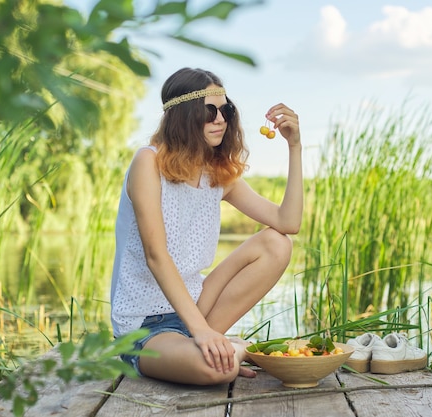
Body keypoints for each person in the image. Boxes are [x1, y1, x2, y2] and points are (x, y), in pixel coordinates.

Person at [110, 67, 303, 385]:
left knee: (277, 242)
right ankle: (235, 348)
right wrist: (201, 332)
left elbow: (288, 222)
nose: (220, 119)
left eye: (225, 109)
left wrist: (294, 147)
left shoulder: (217, 173)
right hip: (145, 324)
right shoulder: (148, 162)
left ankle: (215, 346)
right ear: (183, 115)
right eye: (209, 111)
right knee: (220, 370)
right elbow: (156, 256)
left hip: (199, 306)